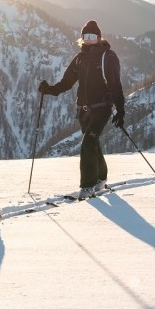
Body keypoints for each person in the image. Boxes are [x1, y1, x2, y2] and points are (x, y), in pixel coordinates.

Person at [38, 20, 126, 198]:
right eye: (85, 36)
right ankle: (101, 178)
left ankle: (87, 186)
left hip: (102, 108)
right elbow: (67, 82)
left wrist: (120, 110)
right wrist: (49, 90)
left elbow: (116, 85)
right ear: (81, 38)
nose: (89, 40)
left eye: (92, 36)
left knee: (88, 143)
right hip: (83, 110)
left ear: (99, 38)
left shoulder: (108, 57)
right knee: (93, 143)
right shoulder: (79, 59)